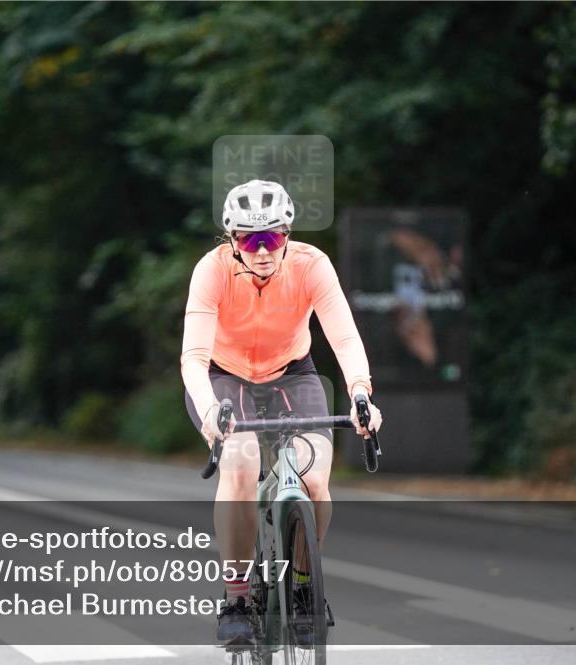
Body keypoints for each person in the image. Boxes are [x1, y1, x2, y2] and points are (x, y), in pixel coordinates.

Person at [181, 179, 382, 644]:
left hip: (292, 374)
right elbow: (193, 358)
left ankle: (305, 586)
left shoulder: (312, 265)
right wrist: (209, 411)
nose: (263, 250)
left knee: (314, 477)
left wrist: (361, 393)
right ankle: (235, 600)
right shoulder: (211, 271)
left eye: (272, 237)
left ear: (287, 234)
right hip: (224, 377)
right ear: (232, 240)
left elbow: (344, 338)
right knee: (241, 464)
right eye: (250, 239)